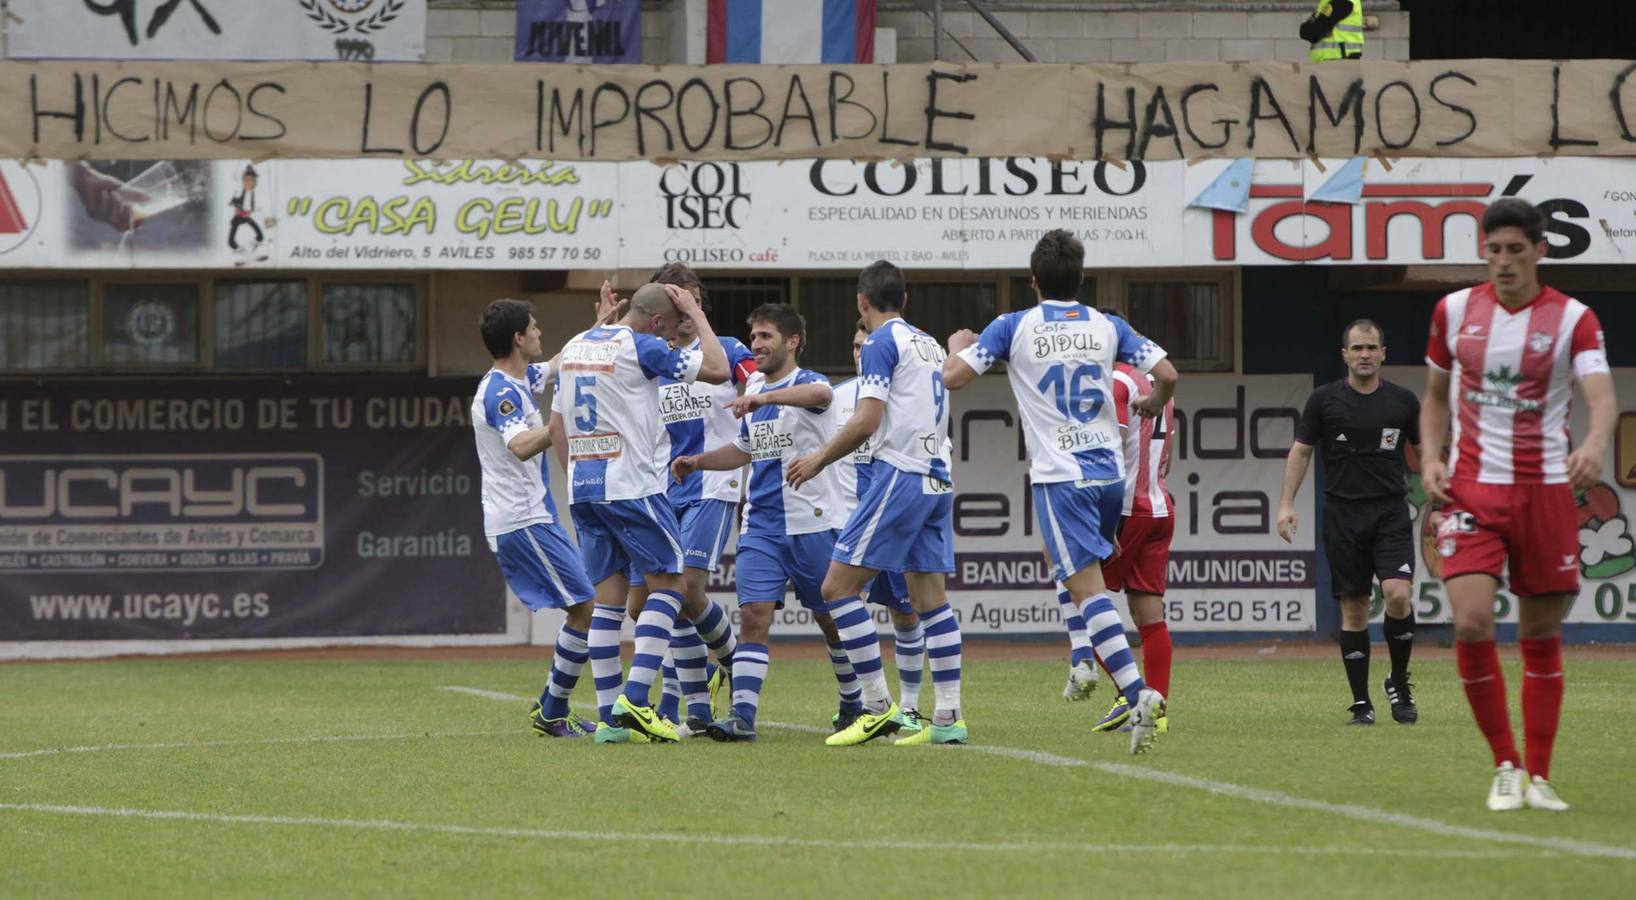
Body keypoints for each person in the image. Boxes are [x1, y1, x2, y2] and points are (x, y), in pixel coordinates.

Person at [943, 229, 1177, 755]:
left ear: (1033, 282)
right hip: (1108, 474)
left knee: (1089, 589)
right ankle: (1083, 660)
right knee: (1074, 574)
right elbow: (1167, 374)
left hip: (1061, 474)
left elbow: (953, 378)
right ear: (1082, 279)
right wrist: (1151, 401)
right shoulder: (1107, 324)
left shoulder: (1013, 326)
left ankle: (1136, 692)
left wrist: (957, 345)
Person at [1421, 198, 1616, 812]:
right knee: (1472, 622)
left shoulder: (1573, 319)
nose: (1502, 261)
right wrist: (1431, 456)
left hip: (1545, 495)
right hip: (1471, 489)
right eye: (1493, 249)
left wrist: (1593, 441)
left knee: (1539, 633)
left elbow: (1601, 395)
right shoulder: (1453, 311)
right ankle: (1504, 763)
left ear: (1540, 250)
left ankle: (1541, 774)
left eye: (1514, 249)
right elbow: (1433, 397)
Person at [672, 304, 880, 741]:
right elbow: (744, 450)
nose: (756, 345)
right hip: (761, 528)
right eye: (754, 337)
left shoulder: (809, 384)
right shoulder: (751, 385)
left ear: (792, 342)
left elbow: (821, 397)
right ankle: (743, 718)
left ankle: (853, 701)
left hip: (815, 524)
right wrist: (700, 461)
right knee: (753, 618)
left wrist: (763, 396)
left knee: (831, 620)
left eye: (766, 336)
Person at [787, 261, 966, 747]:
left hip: (901, 474)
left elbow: (867, 421)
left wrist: (819, 458)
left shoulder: (881, 344)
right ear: (904, 301)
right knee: (931, 600)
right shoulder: (926, 342)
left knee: (837, 587)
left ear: (861, 303)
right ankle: (948, 717)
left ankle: (877, 708)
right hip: (936, 476)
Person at [548, 282, 729, 744]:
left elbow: (557, 424)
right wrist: (696, 312)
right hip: (629, 483)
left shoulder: (574, 344)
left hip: (583, 486)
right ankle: (634, 697)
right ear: (655, 322)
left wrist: (574, 472)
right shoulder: (643, 346)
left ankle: (610, 721)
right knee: (670, 583)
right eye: (670, 326)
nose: (671, 337)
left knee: (607, 602)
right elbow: (717, 367)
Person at [472, 297, 610, 738]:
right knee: (586, 606)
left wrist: (599, 326)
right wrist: (562, 423)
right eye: (533, 327)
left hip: (534, 517)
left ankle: (552, 703)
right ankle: (553, 708)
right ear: (517, 338)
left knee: (584, 604)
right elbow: (519, 445)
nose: (539, 333)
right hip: (521, 521)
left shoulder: (518, 378)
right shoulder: (499, 393)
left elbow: (555, 363)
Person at [623, 264, 751, 738]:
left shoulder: (728, 349)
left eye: (690, 303)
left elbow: (759, 382)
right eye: (675, 304)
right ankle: (716, 682)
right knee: (644, 606)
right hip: (658, 488)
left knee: (685, 592)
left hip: (711, 487)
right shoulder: (652, 356)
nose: (683, 313)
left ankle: (713, 691)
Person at [1277, 320, 1422, 727]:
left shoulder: (1403, 402)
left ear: (1383, 353)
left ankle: (1398, 679)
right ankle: (1361, 703)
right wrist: (1285, 503)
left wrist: (1445, 501)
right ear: (1344, 354)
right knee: (1355, 608)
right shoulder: (1324, 401)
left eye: (1371, 348)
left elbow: (1426, 453)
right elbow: (1301, 452)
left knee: (1397, 595)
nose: (1364, 354)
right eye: (1357, 348)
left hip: (1392, 512)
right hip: (1343, 515)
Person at [832, 320, 927, 723]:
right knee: (841, 599)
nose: (859, 354)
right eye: (855, 347)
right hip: (851, 516)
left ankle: (907, 705)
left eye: (864, 347)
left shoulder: (902, 397)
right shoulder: (835, 399)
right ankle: (863, 702)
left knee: (905, 612)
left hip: (894, 510)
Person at [1091, 357, 1178, 735]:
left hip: (1125, 510)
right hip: (1160, 507)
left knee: (1083, 602)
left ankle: (1132, 696)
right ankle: (1156, 709)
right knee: (1149, 616)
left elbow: (1108, 456)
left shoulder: (1117, 381)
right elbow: (1168, 459)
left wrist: (1105, 519)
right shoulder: (1158, 384)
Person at [1299, 0, 1364, 61]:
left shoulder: (1342, 2)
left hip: (1340, 60)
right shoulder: (1326, 2)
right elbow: (1304, 32)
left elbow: (1313, 31)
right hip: (1330, 61)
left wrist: (1313, 25)